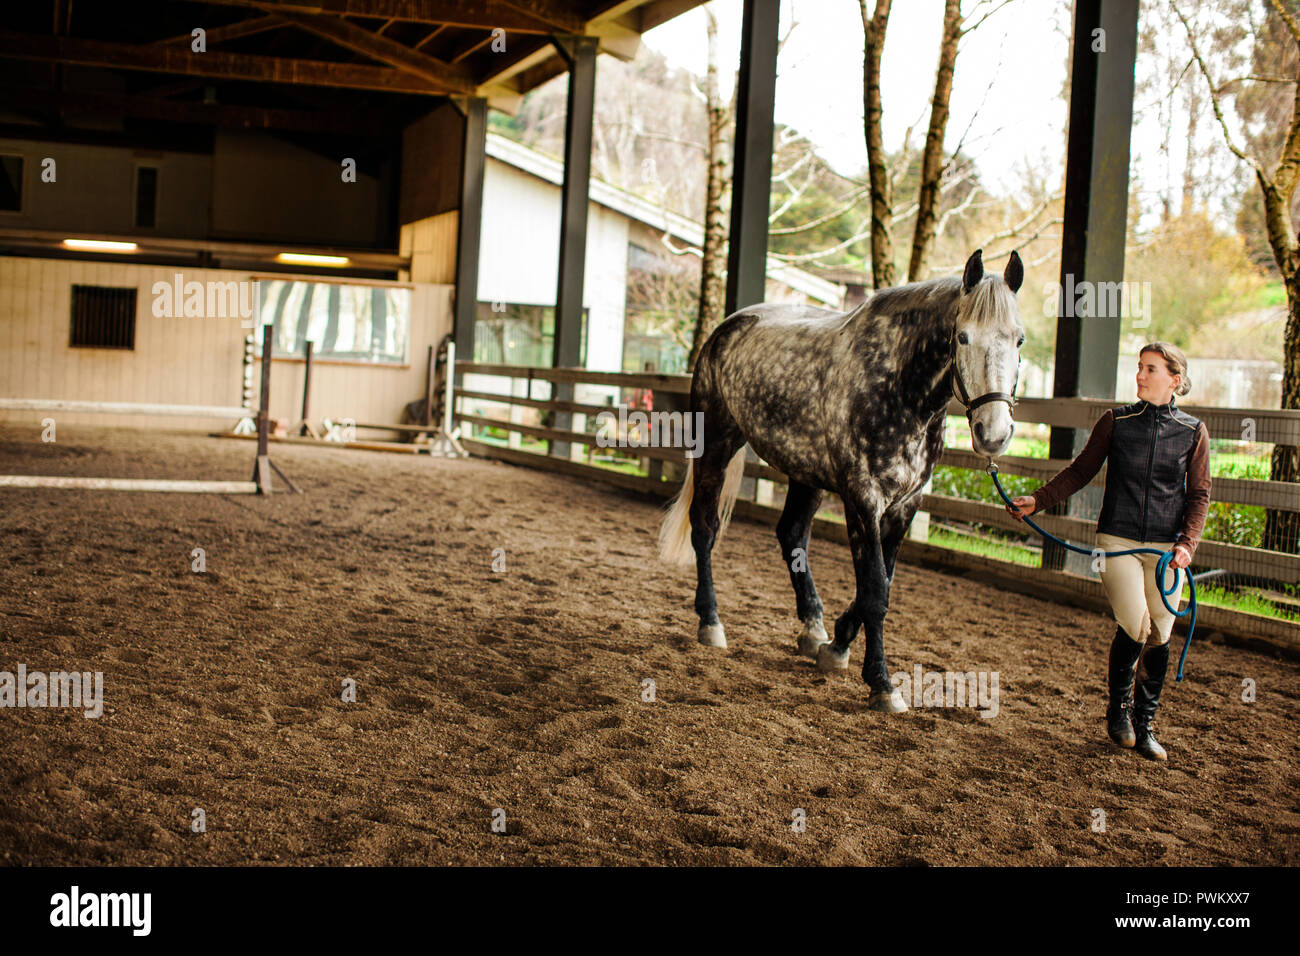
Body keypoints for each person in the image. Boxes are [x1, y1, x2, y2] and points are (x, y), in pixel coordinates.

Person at [1005, 342, 1211, 761]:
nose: (1139, 375)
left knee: (1161, 632)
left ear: (1174, 379)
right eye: (1138, 367)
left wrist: (1186, 545)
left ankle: (1144, 722)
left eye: (1150, 369)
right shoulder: (1116, 422)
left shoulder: (1193, 432)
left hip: (1166, 549)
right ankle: (1118, 710)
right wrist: (1038, 500)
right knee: (1136, 624)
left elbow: (1200, 495)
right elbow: (1081, 470)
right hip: (1117, 542)